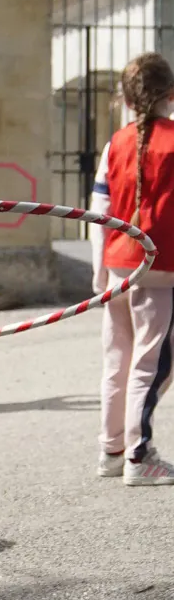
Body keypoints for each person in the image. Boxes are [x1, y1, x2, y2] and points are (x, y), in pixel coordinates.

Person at [90, 52, 174, 486]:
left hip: (118, 264)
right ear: (171, 96)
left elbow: (97, 211)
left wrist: (98, 274)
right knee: (151, 363)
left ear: (125, 98)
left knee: (117, 359)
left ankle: (111, 449)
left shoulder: (115, 143)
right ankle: (139, 457)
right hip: (161, 267)